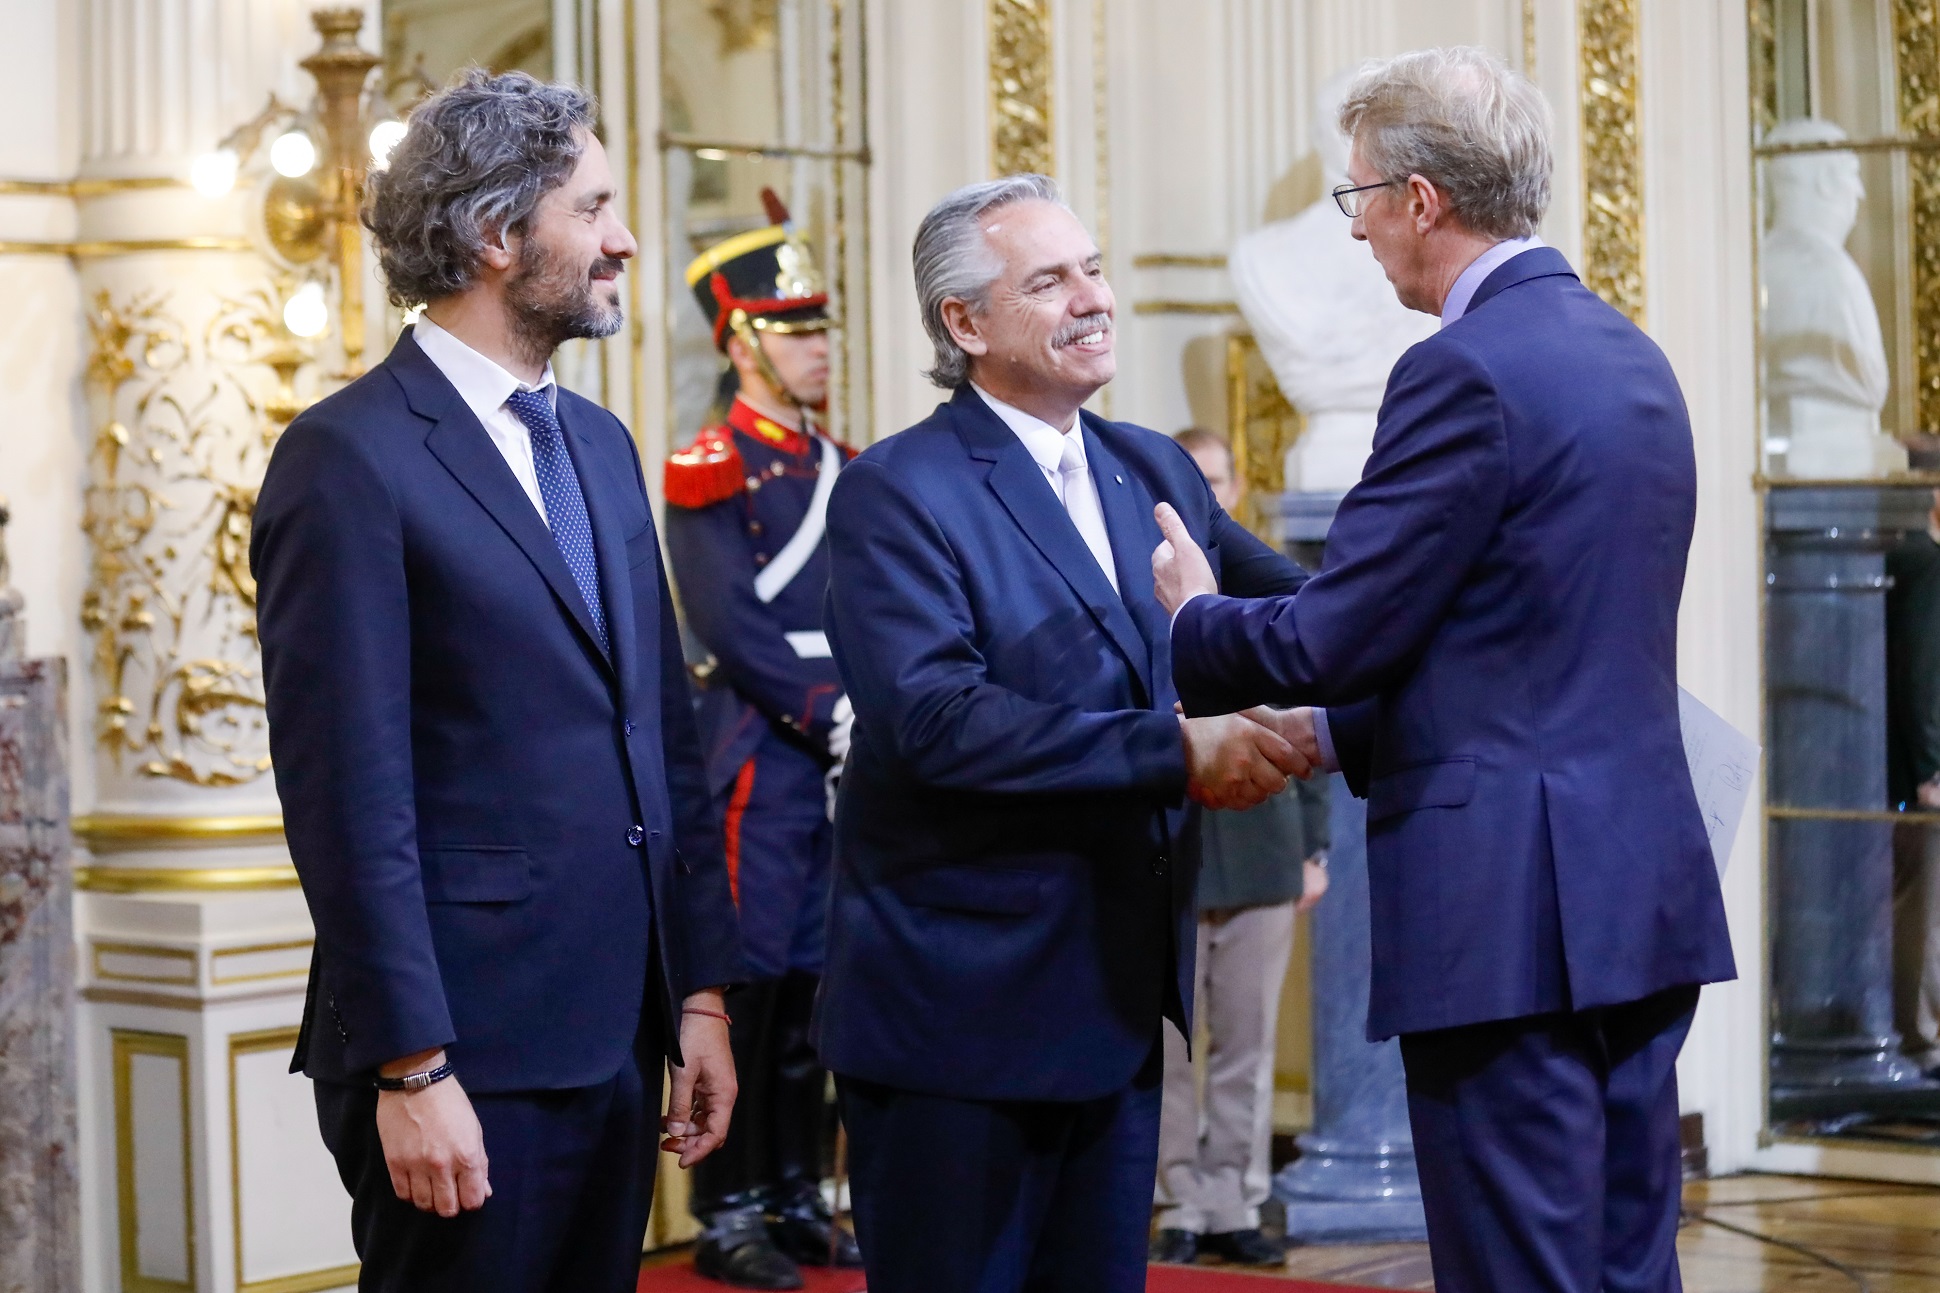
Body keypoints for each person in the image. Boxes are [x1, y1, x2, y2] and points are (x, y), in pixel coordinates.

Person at [1153, 47, 1737, 1293]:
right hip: (1634, 888)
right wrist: (1334, 735)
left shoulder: (1459, 368)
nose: (1355, 232)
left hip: (1508, 912)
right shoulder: (1627, 352)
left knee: (1514, 1263)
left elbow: (1333, 632)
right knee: (1625, 1257)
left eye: (1357, 198)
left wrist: (1189, 622)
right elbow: (1525, 632)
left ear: (1420, 200)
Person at [251, 71, 744, 1293]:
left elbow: (660, 737)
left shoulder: (600, 443)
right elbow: (347, 796)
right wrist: (410, 1068)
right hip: (461, 1049)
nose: (623, 237)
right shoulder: (345, 458)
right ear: (493, 236)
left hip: (622, 1028)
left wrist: (701, 999)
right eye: (593, 207)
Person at [816, 174, 1319, 1293]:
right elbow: (942, 723)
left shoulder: (1150, 464)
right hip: (957, 1016)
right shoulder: (896, 491)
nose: (1093, 298)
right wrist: (1178, 751)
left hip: (1108, 1000)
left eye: (1092, 267)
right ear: (964, 323)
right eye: (1048, 280)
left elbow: (1292, 617)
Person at [664, 203, 863, 1288]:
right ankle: (726, 1203)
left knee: (813, 992)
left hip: (844, 753)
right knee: (746, 991)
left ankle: (794, 1193)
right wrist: (825, 709)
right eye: (793, 327)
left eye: (820, 324)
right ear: (740, 341)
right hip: (756, 751)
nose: (818, 343)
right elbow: (730, 621)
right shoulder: (709, 464)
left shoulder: (845, 460)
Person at [1150, 429, 1330, 1270]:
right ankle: (1182, 1200)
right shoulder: (1148, 589)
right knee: (1175, 1045)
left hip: (1264, 847)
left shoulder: (1263, 586)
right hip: (1174, 846)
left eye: (1213, 484)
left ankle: (1237, 1198)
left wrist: (1316, 850)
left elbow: (1315, 706)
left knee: (1248, 1044)